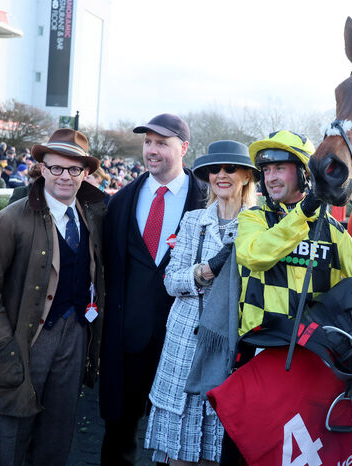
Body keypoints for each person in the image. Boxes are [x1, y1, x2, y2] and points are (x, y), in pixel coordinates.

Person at [230, 130, 352, 461]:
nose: (270, 177)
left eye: (279, 168)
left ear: (303, 172)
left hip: (312, 364)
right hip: (260, 356)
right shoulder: (254, 218)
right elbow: (254, 254)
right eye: (266, 170)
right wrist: (305, 211)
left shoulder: (334, 231)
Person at [0, 129, 105, 464]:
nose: (65, 177)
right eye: (57, 168)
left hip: (74, 338)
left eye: (74, 169)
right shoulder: (10, 219)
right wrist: (1, 345)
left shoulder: (94, 216)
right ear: (42, 168)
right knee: (7, 442)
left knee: (55, 439)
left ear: (85, 173)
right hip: (23, 341)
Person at [100, 113, 206, 464]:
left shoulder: (207, 201)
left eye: (162, 142)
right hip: (127, 341)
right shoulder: (119, 202)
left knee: (178, 440)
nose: (152, 150)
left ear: (184, 147)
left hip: (184, 343)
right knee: (119, 435)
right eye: (148, 142)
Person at [144, 140, 258, 465]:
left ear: (247, 176)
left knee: (217, 446)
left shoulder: (260, 225)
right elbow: (170, 281)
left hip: (226, 349)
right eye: (214, 170)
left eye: (230, 169)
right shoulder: (194, 220)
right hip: (182, 347)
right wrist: (205, 271)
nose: (221, 176)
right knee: (177, 454)